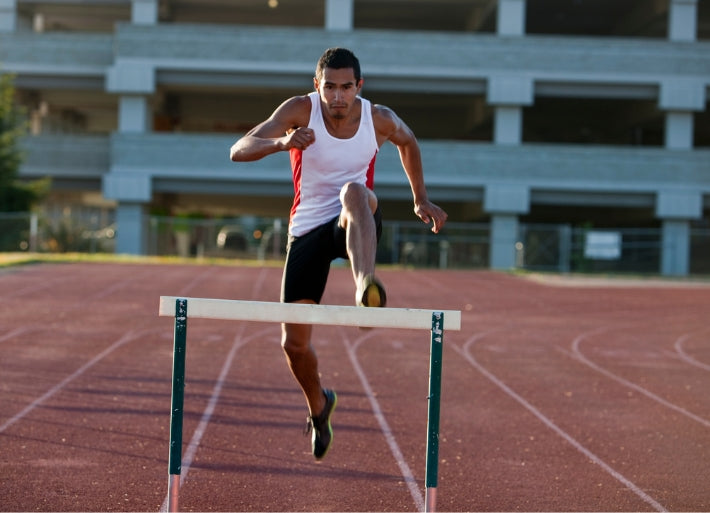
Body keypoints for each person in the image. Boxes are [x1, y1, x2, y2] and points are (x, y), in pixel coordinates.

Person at [229, 47, 448, 460]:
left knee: (355, 193)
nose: (337, 97)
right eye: (329, 87)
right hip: (308, 229)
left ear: (358, 87)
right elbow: (238, 149)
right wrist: (282, 141)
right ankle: (319, 405)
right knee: (293, 345)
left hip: (358, 219)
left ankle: (365, 286)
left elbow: (409, 141)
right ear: (318, 86)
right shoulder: (299, 110)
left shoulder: (377, 117)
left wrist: (420, 199)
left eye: (346, 88)